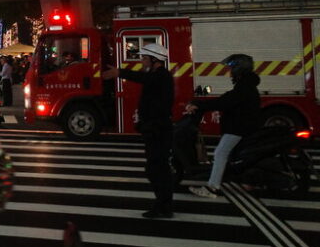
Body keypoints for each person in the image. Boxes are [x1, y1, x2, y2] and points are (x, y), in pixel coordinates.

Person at [102, 43, 174, 218]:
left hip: (159, 130)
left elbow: (144, 79)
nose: (142, 61)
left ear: (154, 59)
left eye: (144, 58)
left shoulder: (161, 76)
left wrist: (120, 72)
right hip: (155, 129)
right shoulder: (156, 75)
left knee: (156, 169)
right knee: (156, 168)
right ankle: (163, 204)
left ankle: (163, 206)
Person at [186, 54, 261, 198]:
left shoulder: (244, 87)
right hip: (243, 126)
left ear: (238, 69)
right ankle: (249, 180)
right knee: (236, 155)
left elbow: (224, 102)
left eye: (231, 68)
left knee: (220, 153)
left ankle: (212, 188)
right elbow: (226, 99)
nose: (229, 71)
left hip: (238, 128)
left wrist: (199, 105)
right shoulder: (245, 85)